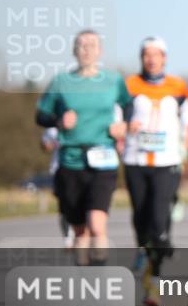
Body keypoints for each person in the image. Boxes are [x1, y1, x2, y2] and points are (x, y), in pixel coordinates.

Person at [35, 29, 131, 265]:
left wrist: (123, 125)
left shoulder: (113, 80)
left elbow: (129, 106)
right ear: (74, 51)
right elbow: (41, 115)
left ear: (100, 51)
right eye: (81, 45)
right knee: (80, 232)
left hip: (103, 158)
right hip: (70, 161)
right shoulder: (61, 82)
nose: (86, 50)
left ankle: (99, 273)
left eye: (92, 45)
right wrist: (58, 121)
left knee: (97, 226)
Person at [123, 36, 188, 306]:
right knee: (141, 218)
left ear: (164, 58)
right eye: (146, 55)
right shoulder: (129, 85)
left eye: (156, 55)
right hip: (135, 159)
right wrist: (122, 127)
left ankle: (153, 282)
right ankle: (145, 247)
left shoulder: (178, 87)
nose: (151, 59)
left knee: (158, 220)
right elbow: (116, 115)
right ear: (141, 58)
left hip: (166, 161)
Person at [40, 127, 74, 248]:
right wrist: (52, 144)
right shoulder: (52, 129)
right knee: (64, 206)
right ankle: (68, 239)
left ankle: (81, 234)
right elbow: (45, 145)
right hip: (58, 169)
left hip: (79, 169)